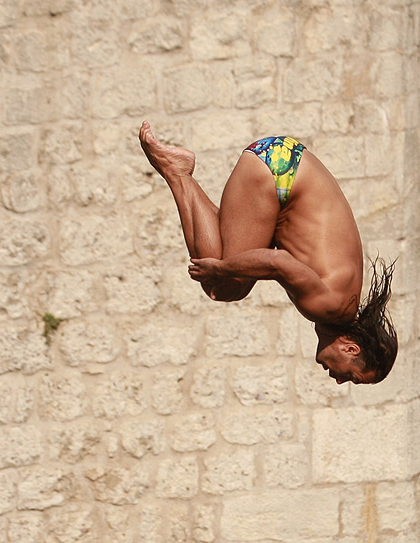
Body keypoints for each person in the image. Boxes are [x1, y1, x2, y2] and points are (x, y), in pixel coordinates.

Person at [138, 121, 397, 385]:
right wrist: (219, 269)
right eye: (351, 376)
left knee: (233, 268)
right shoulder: (328, 308)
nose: (339, 381)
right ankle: (176, 172)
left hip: (285, 158)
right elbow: (277, 261)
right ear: (351, 349)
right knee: (225, 286)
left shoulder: (346, 299)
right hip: (278, 175)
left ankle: (180, 174)